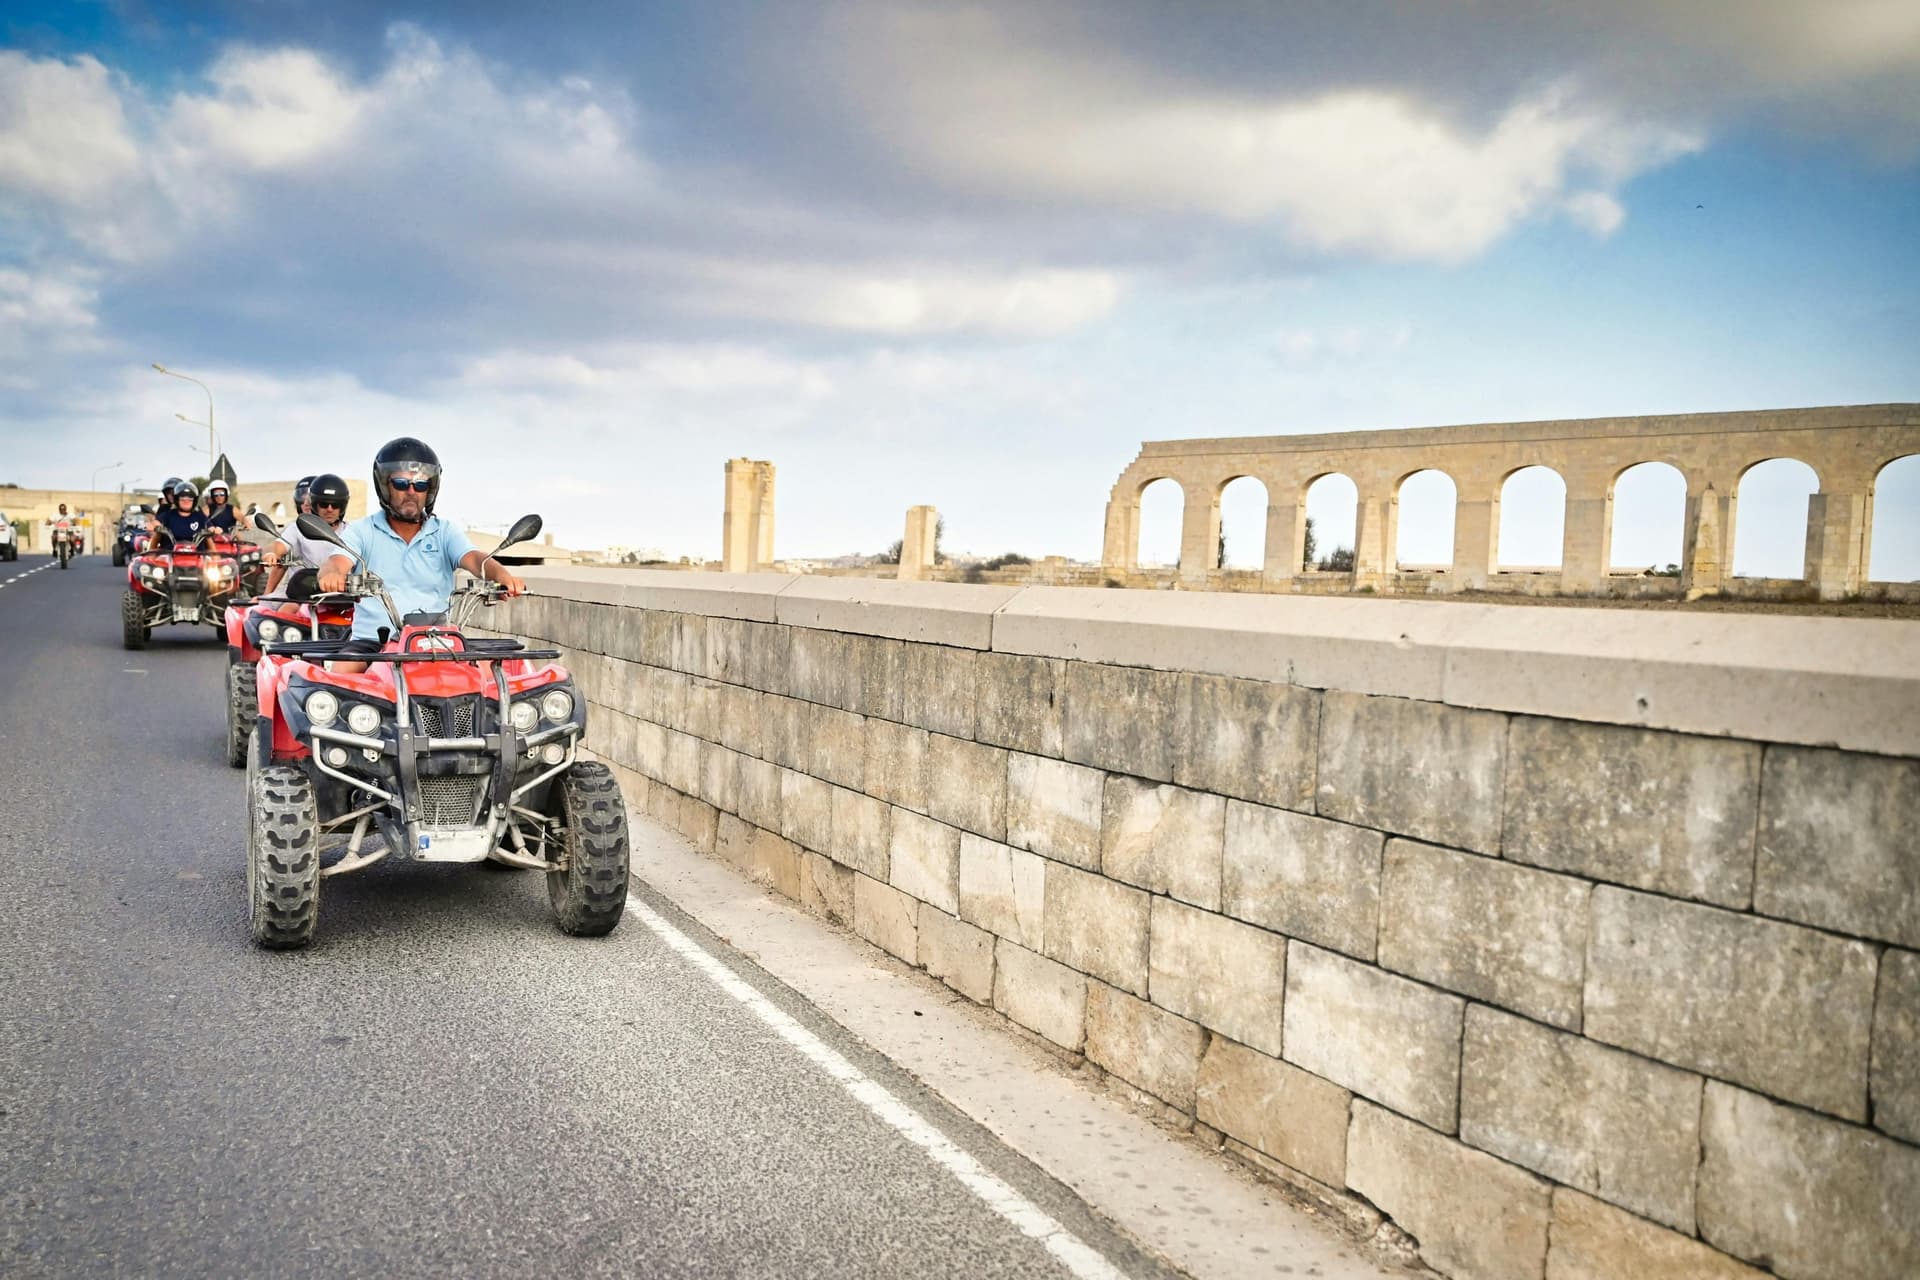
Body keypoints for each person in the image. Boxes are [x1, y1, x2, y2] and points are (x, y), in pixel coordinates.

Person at [317, 439, 524, 667]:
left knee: (488, 678)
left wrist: (502, 576)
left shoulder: (444, 531)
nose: (411, 492)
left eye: (421, 485)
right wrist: (333, 574)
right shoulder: (363, 530)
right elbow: (337, 560)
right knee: (341, 676)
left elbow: (475, 558)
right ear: (385, 486)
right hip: (373, 642)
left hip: (438, 641)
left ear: (430, 489)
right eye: (401, 484)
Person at [266, 472, 350, 594]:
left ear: (342, 507)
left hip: (343, 595)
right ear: (315, 505)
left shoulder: (352, 532)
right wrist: (273, 555)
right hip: (303, 593)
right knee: (285, 608)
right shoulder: (298, 528)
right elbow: (281, 546)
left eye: (335, 505)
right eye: (324, 504)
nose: (330, 509)